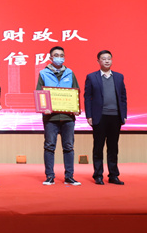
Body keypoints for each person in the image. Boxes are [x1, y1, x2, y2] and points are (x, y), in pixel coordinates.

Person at [37, 46, 81, 186]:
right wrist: (44, 108)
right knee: (49, 146)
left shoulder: (70, 73)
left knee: (69, 147)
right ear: (50, 58)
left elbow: (76, 92)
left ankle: (69, 176)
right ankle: (50, 176)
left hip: (68, 117)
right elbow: (40, 94)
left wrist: (76, 108)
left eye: (62, 55)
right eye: (56, 55)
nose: (59, 58)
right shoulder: (43, 73)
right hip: (51, 118)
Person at [84, 50, 127, 185]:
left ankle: (113, 175)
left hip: (115, 116)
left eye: (109, 58)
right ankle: (98, 175)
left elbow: (123, 97)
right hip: (99, 116)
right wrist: (89, 115)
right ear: (98, 61)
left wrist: (124, 114)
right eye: (103, 58)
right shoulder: (92, 77)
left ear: (112, 60)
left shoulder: (119, 77)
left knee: (113, 147)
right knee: (98, 147)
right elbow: (87, 97)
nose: (107, 61)